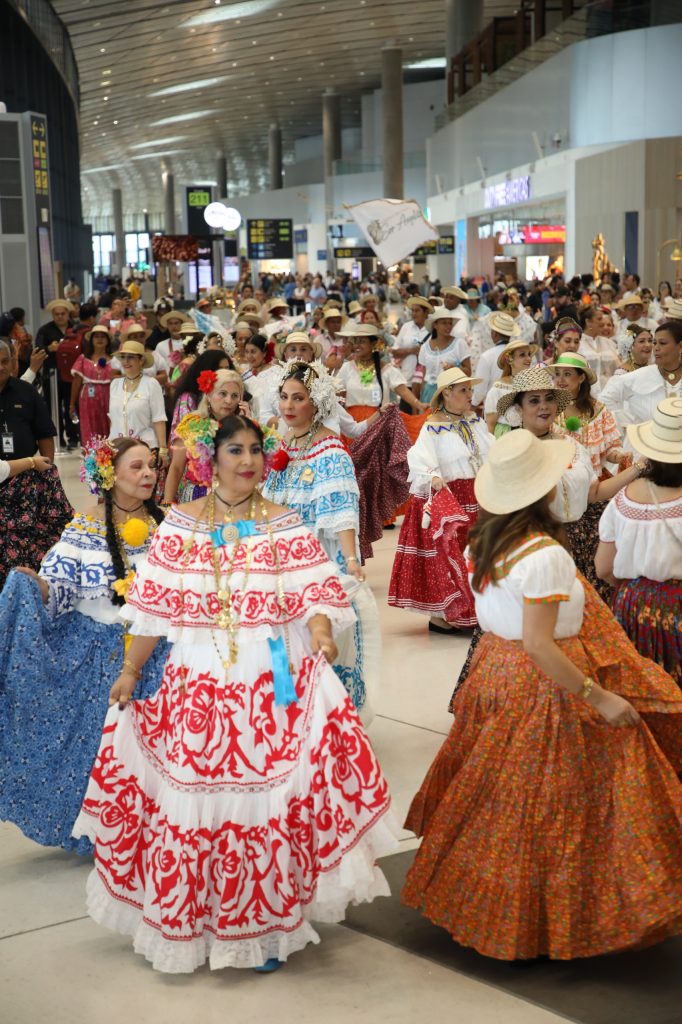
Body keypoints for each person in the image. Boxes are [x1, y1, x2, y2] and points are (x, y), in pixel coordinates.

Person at [72, 415, 397, 974]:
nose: (247, 461)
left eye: (254, 450)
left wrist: (321, 634)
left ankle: (265, 930)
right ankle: (196, 922)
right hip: (199, 684)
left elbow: (312, 593)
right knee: (198, 802)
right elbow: (153, 609)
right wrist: (130, 668)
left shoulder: (284, 523)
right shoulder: (181, 523)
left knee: (261, 803)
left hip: (270, 681)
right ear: (211, 458)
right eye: (234, 450)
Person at [402, 428, 682, 961]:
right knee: (557, 802)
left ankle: (498, 907)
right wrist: (597, 694)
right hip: (544, 684)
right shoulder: (545, 556)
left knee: (507, 792)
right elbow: (539, 642)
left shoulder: (487, 540)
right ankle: (556, 916)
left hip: (496, 673)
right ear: (545, 493)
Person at [0, 437, 167, 852]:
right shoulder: (84, 529)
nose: (148, 474)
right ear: (109, 476)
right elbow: (59, 590)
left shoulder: (169, 527)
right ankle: (102, 834)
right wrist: (33, 583)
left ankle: (154, 833)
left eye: (152, 466)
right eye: (137, 467)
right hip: (99, 654)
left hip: (159, 653)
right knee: (95, 748)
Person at [261, 363, 379, 717]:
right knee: (279, 645)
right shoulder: (283, 446)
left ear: (318, 404)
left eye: (299, 398)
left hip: (317, 563)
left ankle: (327, 722)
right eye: (284, 397)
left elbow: (343, 512)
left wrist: (351, 562)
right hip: (279, 561)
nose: (288, 406)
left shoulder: (331, 451)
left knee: (317, 647)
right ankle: (286, 718)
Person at [388, 367, 493, 634]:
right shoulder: (433, 426)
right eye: (463, 390)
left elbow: (489, 450)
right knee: (449, 554)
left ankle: (473, 609)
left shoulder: (472, 421)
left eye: (470, 389)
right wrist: (433, 476)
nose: (470, 395)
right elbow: (419, 459)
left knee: (473, 552)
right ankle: (443, 615)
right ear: (446, 393)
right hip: (450, 498)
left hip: (476, 495)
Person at [596, 397, 682, 687]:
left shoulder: (622, 500)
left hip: (633, 604)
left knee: (642, 686)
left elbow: (603, 568)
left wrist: (634, 590)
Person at [0, 340, 72, 588]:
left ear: (13, 363)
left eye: (4, 361)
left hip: (28, 478)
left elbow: (44, 433)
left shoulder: (26, 391)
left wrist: (48, 470)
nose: (0, 367)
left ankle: (31, 587)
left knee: (37, 535)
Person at [164, 368, 249, 504]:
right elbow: (176, 468)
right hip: (196, 498)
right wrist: (167, 505)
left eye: (234, 396)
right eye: (222, 394)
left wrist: (246, 427)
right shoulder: (191, 424)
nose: (228, 400)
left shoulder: (244, 426)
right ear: (209, 395)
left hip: (233, 500)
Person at [601, 320, 682, 429]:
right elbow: (604, 400)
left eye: (662, 343)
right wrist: (630, 425)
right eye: (655, 343)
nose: (655, 348)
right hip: (646, 442)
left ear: (680, 346)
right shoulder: (636, 376)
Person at [108, 339, 168, 463]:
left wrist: (163, 450)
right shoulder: (115, 384)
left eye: (131, 357)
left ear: (141, 360)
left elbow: (159, 418)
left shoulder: (151, 384)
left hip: (145, 447)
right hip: (117, 448)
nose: (125, 361)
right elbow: (113, 419)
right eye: (123, 357)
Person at [69, 324, 115, 447]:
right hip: (88, 399)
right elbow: (76, 382)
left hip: (109, 397)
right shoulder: (83, 359)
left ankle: (108, 456)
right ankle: (90, 459)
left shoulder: (114, 360)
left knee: (109, 425)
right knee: (89, 426)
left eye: (103, 337)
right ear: (91, 340)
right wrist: (72, 404)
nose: (100, 339)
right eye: (96, 337)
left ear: (108, 340)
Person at [416, 308, 472, 404]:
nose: (448, 326)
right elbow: (424, 376)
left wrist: (454, 369)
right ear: (435, 325)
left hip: (452, 394)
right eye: (444, 323)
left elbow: (468, 372)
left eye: (450, 323)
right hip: (429, 393)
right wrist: (421, 399)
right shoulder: (425, 348)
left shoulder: (459, 344)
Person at [483, 336, 536, 435]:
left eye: (529, 354)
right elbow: (490, 424)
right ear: (509, 359)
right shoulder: (499, 388)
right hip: (506, 437)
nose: (528, 358)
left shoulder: (534, 384)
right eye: (522, 355)